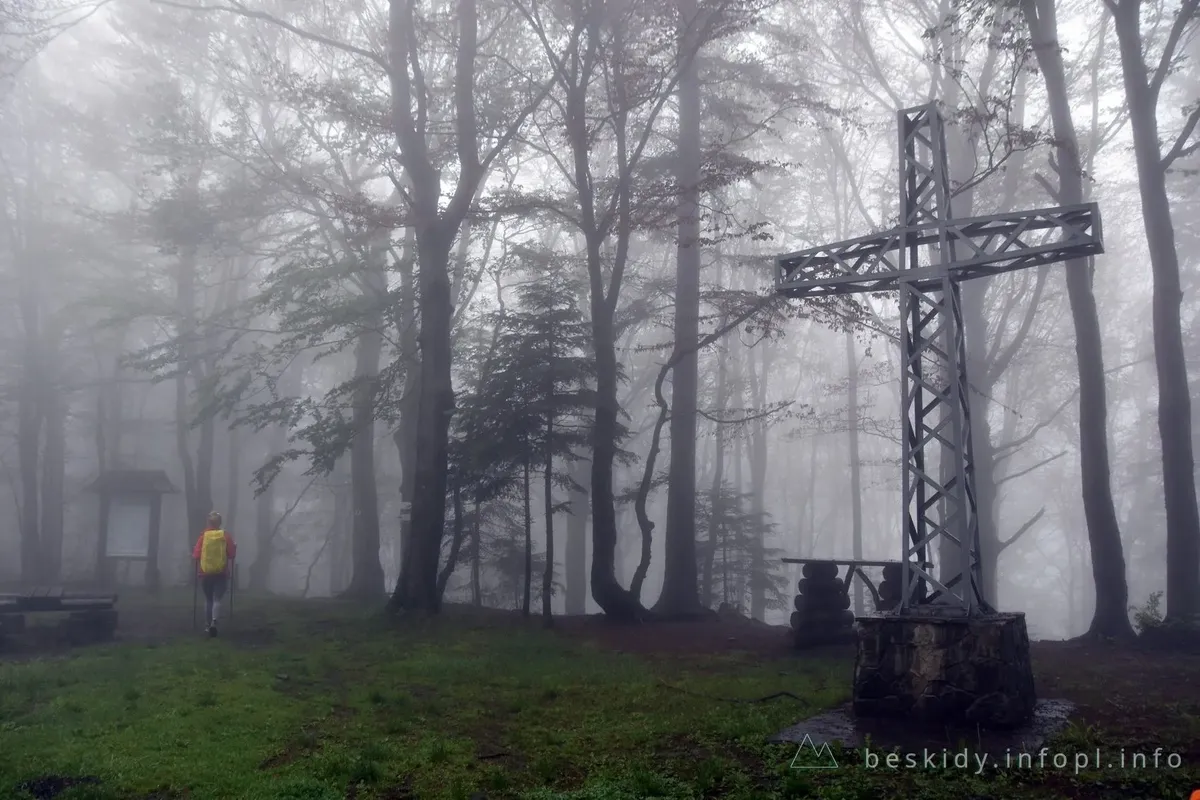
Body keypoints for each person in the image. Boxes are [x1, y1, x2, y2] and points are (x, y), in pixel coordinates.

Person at [192, 511, 236, 637]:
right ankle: (214, 623)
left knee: (208, 599)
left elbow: (196, 555)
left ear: (208, 522)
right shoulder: (225, 536)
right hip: (221, 573)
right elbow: (232, 554)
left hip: (205, 573)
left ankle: (207, 626)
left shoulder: (203, 537)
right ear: (220, 523)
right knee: (217, 599)